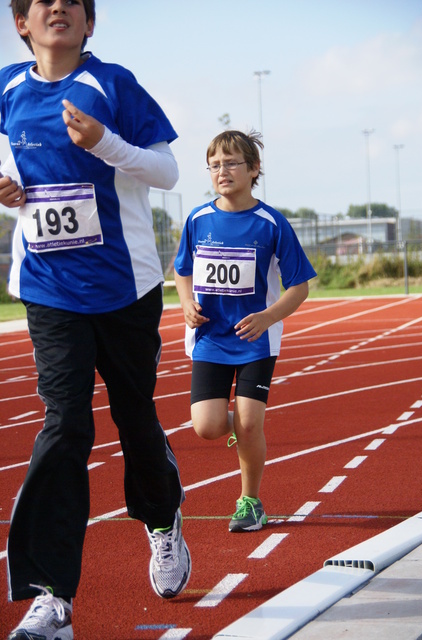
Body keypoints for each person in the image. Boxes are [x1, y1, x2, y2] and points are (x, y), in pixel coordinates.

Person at [0, 1, 191, 638]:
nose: (58, 7)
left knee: (136, 420)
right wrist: (3, 191)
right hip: (49, 288)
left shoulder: (114, 84)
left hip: (126, 286)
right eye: (42, 1)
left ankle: (162, 521)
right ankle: (52, 596)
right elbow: (14, 183)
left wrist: (104, 144)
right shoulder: (5, 88)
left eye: (72, 2)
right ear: (21, 22)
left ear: (88, 22)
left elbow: (166, 171)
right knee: (65, 424)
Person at [174, 129, 316, 533]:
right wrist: (186, 304)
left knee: (250, 423)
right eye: (215, 164)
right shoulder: (199, 218)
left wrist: (268, 317)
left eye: (232, 162)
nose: (223, 170)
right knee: (208, 427)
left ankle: (250, 502)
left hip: (256, 341)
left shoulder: (271, 223)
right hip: (210, 338)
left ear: (254, 170)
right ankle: (240, 424)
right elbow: (182, 270)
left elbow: (300, 286)